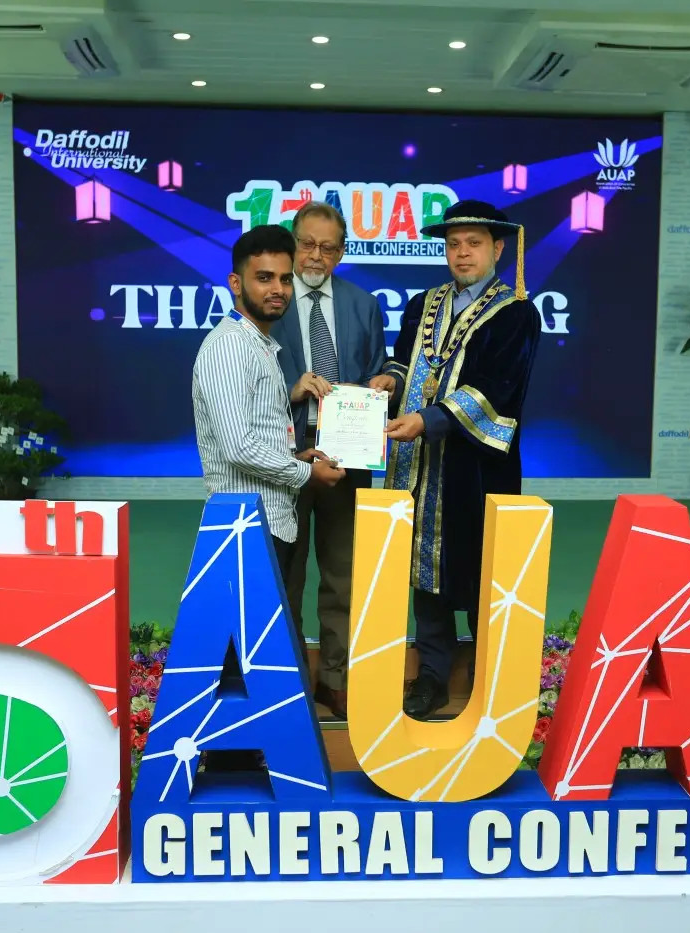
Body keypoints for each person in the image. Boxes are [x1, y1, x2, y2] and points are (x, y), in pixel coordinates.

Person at [381, 200, 542, 720]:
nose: (462, 253)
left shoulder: (516, 313)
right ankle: (432, 673)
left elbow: (499, 388)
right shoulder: (422, 305)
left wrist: (429, 420)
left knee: (480, 567)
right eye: (453, 244)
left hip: (476, 468)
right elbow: (405, 361)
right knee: (422, 570)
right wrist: (389, 382)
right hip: (418, 466)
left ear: (498, 248)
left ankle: (489, 673)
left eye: (474, 243)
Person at [269, 202, 397, 720]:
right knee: (285, 577)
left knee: (344, 574)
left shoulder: (363, 304)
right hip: (285, 458)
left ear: (341, 252)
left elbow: (380, 366)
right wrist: (292, 389)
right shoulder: (270, 302)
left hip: (349, 458)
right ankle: (290, 684)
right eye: (307, 244)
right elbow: (247, 382)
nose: (315, 256)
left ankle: (336, 681)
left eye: (327, 247)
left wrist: (387, 380)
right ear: (293, 244)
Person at [192, 223, 345, 581]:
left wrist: (295, 458)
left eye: (285, 279)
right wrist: (307, 473)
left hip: (268, 521)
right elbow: (239, 447)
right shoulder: (230, 345)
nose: (278, 289)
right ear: (235, 284)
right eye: (264, 278)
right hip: (245, 525)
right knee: (243, 621)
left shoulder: (258, 344)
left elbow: (258, 433)